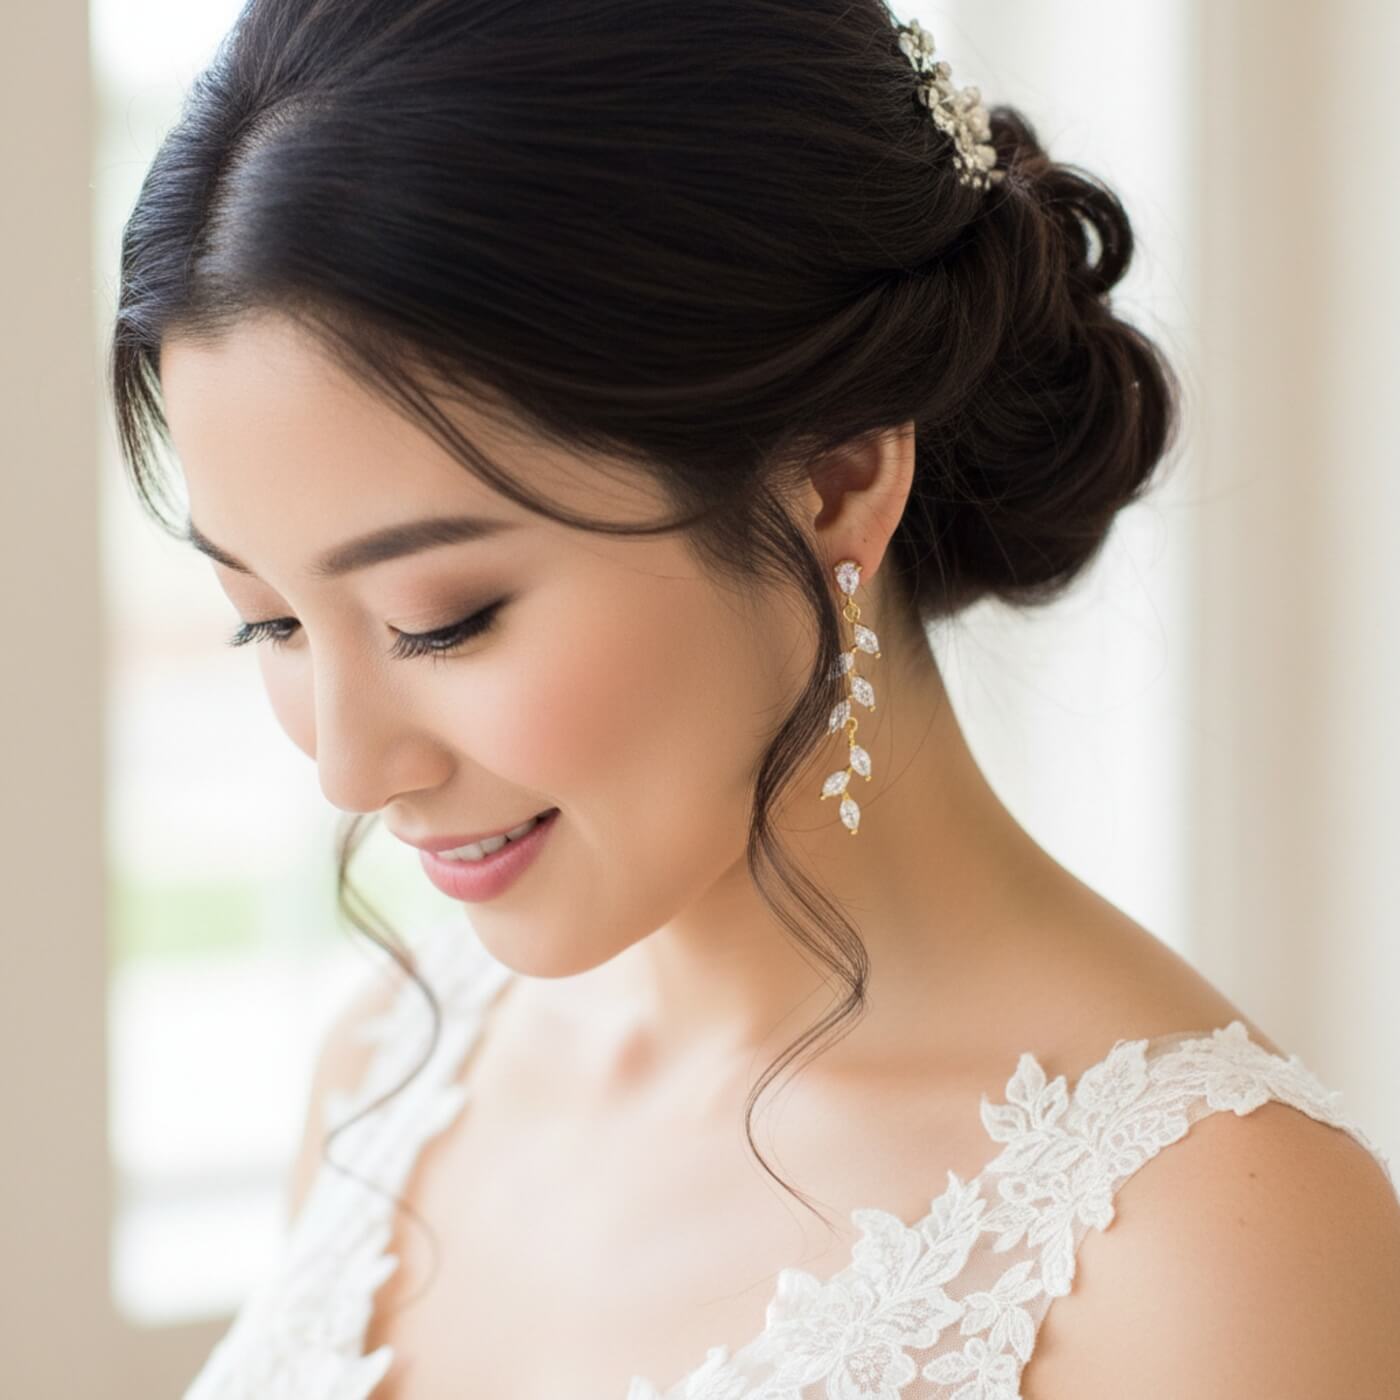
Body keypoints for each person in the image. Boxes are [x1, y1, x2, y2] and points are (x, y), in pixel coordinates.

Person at [108, 1, 1400, 1396]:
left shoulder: (1206, 1245)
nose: (350, 773)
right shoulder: (391, 1080)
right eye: (276, 624)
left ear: (838, 476)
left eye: (444, 620)